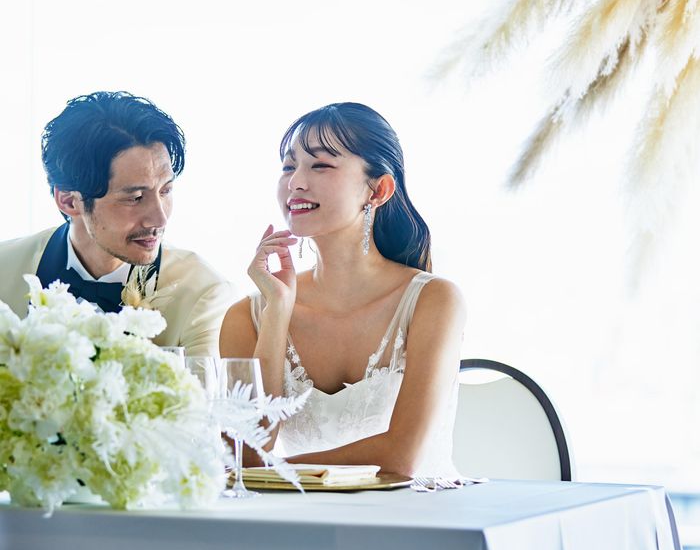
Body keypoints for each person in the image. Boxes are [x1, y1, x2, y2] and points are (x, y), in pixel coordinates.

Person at [220, 102, 465, 477]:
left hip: (419, 511)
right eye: (288, 166)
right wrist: (277, 314)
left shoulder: (434, 301)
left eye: (320, 165)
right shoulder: (247, 316)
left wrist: (275, 471)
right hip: (302, 514)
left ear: (378, 190)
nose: (296, 182)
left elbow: (401, 459)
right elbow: (245, 454)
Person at [0, 91, 235, 356]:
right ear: (69, 201)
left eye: (165, 191)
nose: (160, 219)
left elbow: (206, 384)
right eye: (135, 198)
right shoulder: (3, 272)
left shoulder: (203, 294)